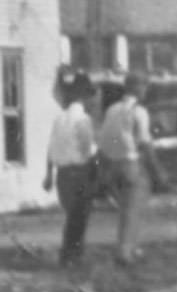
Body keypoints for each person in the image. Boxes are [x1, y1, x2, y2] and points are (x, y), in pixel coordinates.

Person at [96, 71, 169, 266]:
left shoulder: (112, 110)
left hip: (112, 165)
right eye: (143, 86)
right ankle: (125, 252)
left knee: (125, 209)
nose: (145, 90)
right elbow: (145, 143)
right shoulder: (139, 111)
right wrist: (158, 171)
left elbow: (104, 140)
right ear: (134, 88)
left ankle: (129, 248)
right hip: (130, 164)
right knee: (134, 208)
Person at [42, 72, 97, 267]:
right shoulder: (83, 120)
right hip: (79, 173)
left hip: (62, 175)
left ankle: (70, 255)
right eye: (90, 97)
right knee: (79, 217)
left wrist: (48, 175)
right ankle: (72, 256)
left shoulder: (59, 119)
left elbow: (50, 149)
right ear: (84, 97)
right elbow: (88, 150)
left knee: (72, 215)